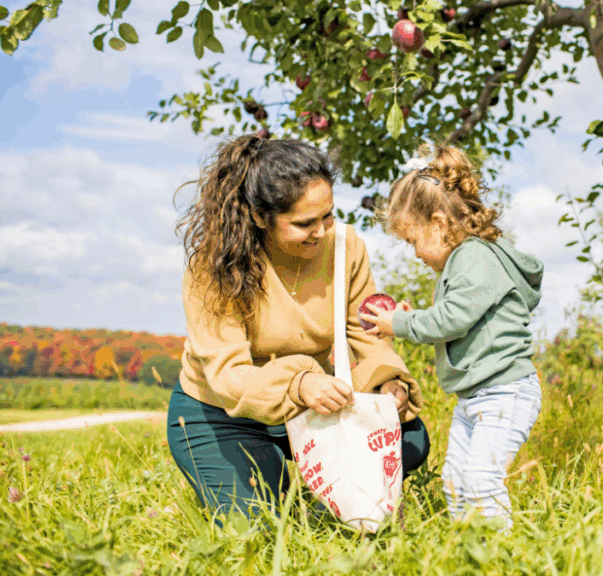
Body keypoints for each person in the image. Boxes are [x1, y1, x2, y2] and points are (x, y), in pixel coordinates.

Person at [167, 134, 430, 523]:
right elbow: (228, 376)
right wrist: (299, 385)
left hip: (309, 402)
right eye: (305, 223)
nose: (322, 231)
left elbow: (366, 334)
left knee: (410, 439)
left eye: (328, 215)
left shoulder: (345, 247)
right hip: (222, 412)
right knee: (258, 524)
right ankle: (271, 474)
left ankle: (333, 498)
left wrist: (387, 382)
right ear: (260, 217)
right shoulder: (215, 267)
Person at [360, 144, 544, 530]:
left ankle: (500, 551)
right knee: (456, 482)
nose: (415, 253)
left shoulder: (474, 256)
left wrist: (401, 323)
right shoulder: (463, 263)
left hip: (504, 392)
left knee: (479, 479)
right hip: (476, 396)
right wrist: (412, 319)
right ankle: (469, 548)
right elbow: (454, 319)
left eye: (413, 241)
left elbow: (453, 319)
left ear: (440, 224)